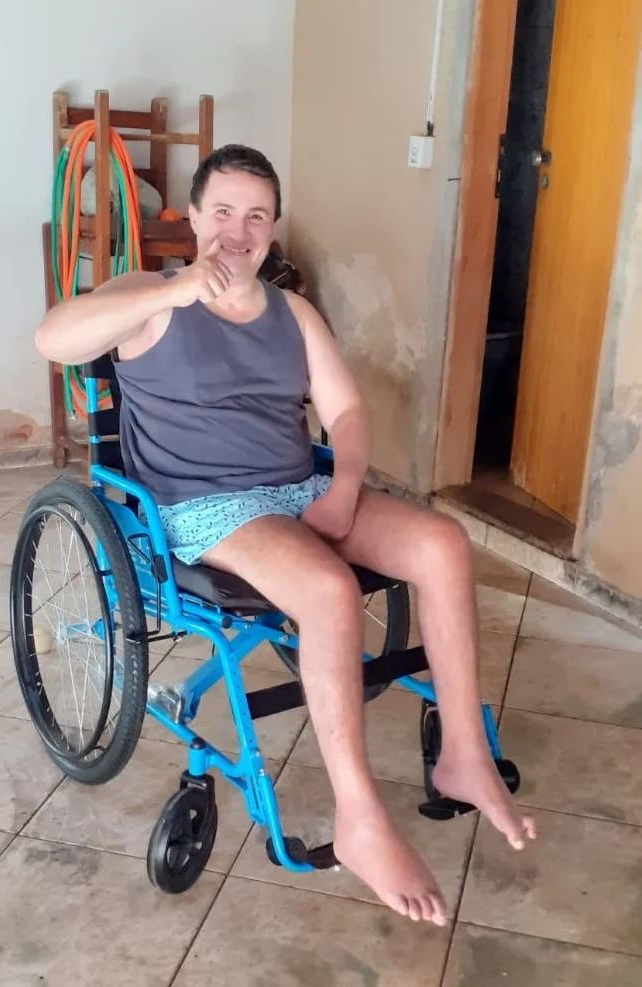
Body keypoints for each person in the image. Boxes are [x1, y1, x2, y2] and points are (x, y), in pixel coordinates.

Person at [35, 144, 536, 926]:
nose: (237, 232)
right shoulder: (149, 296)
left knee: (442, 545)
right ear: (193, 217)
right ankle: (360, 819)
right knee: (328, 591)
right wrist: (178, 287)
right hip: (205, 507)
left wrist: (343, 487)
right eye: (222, 211)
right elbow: (54, 338)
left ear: (273, 228)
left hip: (299, 487)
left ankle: (465, 755)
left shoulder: (291, 312)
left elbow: (346, 412)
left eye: (256, 216)